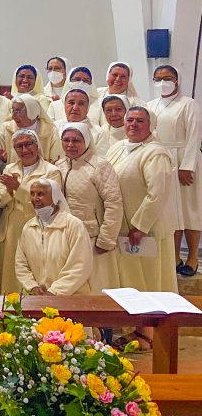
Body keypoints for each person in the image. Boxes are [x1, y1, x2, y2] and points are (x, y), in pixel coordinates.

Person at [108, 107, 179, 298]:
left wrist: (141, 226)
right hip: (122, 227)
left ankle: (153, 316)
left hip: (147, 229)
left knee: (151, 278)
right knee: (129, 279)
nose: (133, 124)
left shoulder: (156, 153)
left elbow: (157, 193)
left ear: (150, 125)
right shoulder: (117, 148)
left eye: (140, 121)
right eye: (130, 120)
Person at [147, 65, 201, 276]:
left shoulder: (188, 104)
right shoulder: (151, 105)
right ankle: (175, 256)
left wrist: (186, 166)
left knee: (189, 210)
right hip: (162, 160)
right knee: (170, 212)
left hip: (184, 158)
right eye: (158, 79)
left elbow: (195, 136)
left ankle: (193, 258)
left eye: (168, 78)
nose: (163, 82)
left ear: (177, 80)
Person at [56, 121, 122, 291]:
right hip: (66, 236)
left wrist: (106, 239)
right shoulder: (58, 166)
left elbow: (114, 203)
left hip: (93, 238)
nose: (70, 145)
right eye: (66, 140)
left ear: (86, 141)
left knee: (96, 286)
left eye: (76, 140)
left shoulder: (100, 166)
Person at [0, 129, 62, 294]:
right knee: (10, 274)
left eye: (28, 144)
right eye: (19, 146)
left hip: (38, 227)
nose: (24, 150)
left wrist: (18, 188)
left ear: (37, 145)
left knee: (34, 272)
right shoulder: (10, 168)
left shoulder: (51, 171)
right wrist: (10, 191)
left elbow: (50, 202)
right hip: (11, 229)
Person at [14, 179, 94, 296]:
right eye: (32, 194)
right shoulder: (29, 227)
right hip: (38, 297)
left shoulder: (73, 225)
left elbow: (80, 266)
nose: (35, 198)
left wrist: (54, 292)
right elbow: (21, 263)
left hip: (72, 297)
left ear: (55, 196)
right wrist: (32, 286)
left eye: (40, 194)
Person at [0, 94, 61, 164]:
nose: (13, 116)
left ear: (32, 112)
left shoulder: (50, 130)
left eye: (18, 111)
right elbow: (1, 158)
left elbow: (56, 160)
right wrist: (3, 160)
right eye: (13, 111)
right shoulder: (6, 128)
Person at [89, 62, 143, 126]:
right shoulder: (95, 94)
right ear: (108, 76)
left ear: (129, 80)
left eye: (123, 76)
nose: (118, 79)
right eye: (114, 75)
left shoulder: (137, 104)